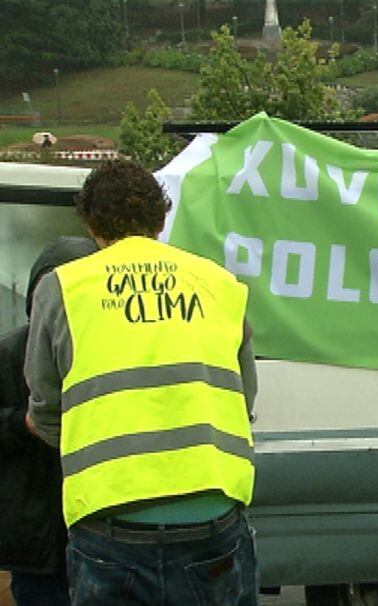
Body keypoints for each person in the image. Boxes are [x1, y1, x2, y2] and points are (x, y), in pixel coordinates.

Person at [24, 159, 260, 606]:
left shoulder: (62, 288)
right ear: (161, 218)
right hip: (211, 519)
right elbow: (241, 397)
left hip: (110, 524)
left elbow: (46, 409)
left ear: (90, 222)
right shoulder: (220, 284)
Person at [1, 237, 97, 606]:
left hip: (99, 532)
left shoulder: (108, 354)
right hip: (37, 535)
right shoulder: (9, 352)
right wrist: (21, 424)